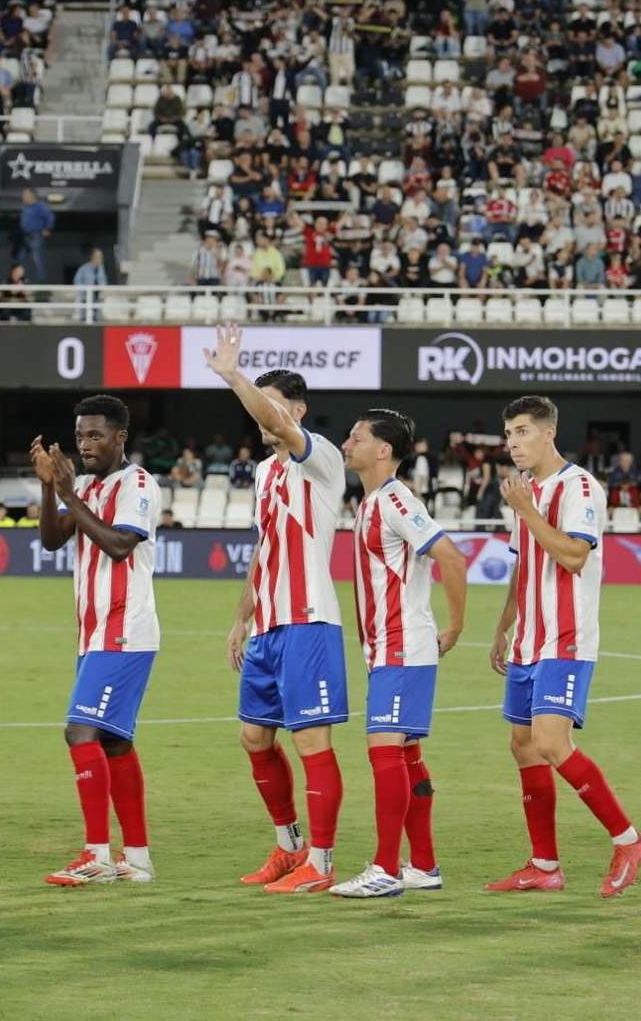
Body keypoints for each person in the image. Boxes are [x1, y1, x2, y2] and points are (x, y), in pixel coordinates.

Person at [485, 395, 641, 897]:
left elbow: (574, 556)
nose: (512, 442)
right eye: (508, 433)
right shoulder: (527, 490)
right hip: (530, 641)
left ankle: (629, 840)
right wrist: (503, 625)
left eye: (521, 432)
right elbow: (523, 563)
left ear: (547, 432)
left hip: (566, 637)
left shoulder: (577, 486)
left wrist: (526, 511)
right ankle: (544, 865)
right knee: (522, 746)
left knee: (552, 743)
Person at [203, 325, 347, 894]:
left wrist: (234, 376)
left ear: (298, 410)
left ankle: (324, 860)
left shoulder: (323, 459)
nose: (263, 418)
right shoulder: (264, 473)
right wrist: (242, 615)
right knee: (254, 739)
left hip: (309, 621)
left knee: (312, 742)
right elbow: (265, 546)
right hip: (266, 625)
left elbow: (282, 426)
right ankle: (290, 847)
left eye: (274, 406)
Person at [328, 410, 469, 898]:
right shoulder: (370, 501)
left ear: (383, 450)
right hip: (387, 648)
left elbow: (450, 557)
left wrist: (454, 625)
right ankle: (423, 865)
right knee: (406, 756)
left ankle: (386, 869)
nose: (346, 443)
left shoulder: (396, 500)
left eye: (356, 436)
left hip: (402, 646)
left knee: (384, 753)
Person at [30, 395, 162, 886]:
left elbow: (120, 545)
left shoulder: (139, 484)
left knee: (79, 732)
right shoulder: (84, 484)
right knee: (114, 742)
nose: (85, 445)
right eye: (80, 435)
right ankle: (138, 858)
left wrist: (68, 494)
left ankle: (97, 854)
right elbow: (51, 539)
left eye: (96, 436)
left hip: (125, 631)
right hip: (95, 634)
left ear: (120, 437)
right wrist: (51, 489)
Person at [19, 188, 55, 282]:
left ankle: (41, 281)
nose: (23, 197)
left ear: (31, 196)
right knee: (22, 258)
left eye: (25, 195)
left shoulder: (39, 206)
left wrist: (47, 228)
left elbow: (50, 216)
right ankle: (22, 279)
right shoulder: (25, 206)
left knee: (37, 258)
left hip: (36, 235)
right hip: (25, 235)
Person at [74, 248, 109, 322]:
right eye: (98, 257)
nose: (100, 259)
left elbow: (104, 281)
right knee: (85, 317)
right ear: (93, 257)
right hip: (86, 297)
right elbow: (77, 281)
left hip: (97, 297)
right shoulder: (84, 268)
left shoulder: (101, 268)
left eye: (101, 257)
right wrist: (85, 289)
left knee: (97, 317)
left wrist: (102, 287)